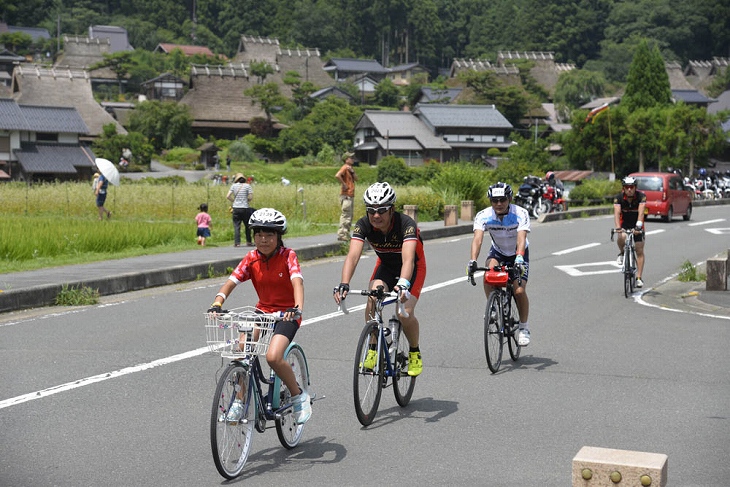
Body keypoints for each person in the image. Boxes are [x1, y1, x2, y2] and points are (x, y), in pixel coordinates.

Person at [207, 208, 311, 424]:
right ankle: (239, 400)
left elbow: (297, 281)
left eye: (269, 235)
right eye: (259, 235)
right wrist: (217, 303)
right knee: (241, 350)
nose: (263, 240)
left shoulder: (288, 255)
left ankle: (298, 395)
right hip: (263, 311)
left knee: (273, 357)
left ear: (278, 236)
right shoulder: (251, 258)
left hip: (287, 314)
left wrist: (297, 307)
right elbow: (232, 281)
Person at [333, 182, 426, 377]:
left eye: (382, 210)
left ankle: (414, 351)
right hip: (385, 266)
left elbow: (408, 260)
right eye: (371, 210)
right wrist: (344, 283)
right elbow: (353, 256)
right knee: (373, 297)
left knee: (404, 313)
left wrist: (403, 284)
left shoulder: (406, 225)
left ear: (392, 209)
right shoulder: (363, 225)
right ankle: (373, 350)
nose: (376, 215)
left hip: (412, 268)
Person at [467, 182, 532, 346]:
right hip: (498, 251)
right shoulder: (484, 215)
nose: (498, 204)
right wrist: (473, 260)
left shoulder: (520, 213)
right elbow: (478, 239)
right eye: (494, 200)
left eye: (502, 200)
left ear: (509, 198)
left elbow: (521, 237)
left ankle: (524, 328)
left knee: (518, 291)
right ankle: (494, 308)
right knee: (488, 274)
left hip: (519, 253)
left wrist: (518, 258)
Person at [613, 176, 647, 288]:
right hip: (625, 223)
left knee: (639, 248)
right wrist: (618, 228)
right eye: (626, 187)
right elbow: (617, 214)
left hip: (637, 223)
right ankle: (622, 253)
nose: (629, 190)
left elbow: (641, 213)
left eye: (631, 187)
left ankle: (638, 277)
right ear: (623, 188)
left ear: (635, 187)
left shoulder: (641, 197)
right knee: (621, 236)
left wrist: (638, 228)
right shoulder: (618, 198)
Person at [227, 173, 254, 247]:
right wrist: (247, 200)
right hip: (245, 208)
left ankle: (237, 243)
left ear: (237, 179)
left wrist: (234, 201)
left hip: (236, 208)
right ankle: (248, 241)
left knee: (236, 226)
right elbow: (251, 197)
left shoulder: (233, 186)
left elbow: (228, 196)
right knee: (247, 225)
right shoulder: (247, 186)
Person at [335, 151, 357, 242]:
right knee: (346, 215)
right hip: (346, 195)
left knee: (349, 216)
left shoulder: (350, 169)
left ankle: (346, 234)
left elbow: (357, 179)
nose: (353, 159)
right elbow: (337, 175)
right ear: (346, 159)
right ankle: (342, 234)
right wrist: (344, 184)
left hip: (350, 195)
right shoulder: (344, 167)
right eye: (351, 158)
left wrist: (352, 171)